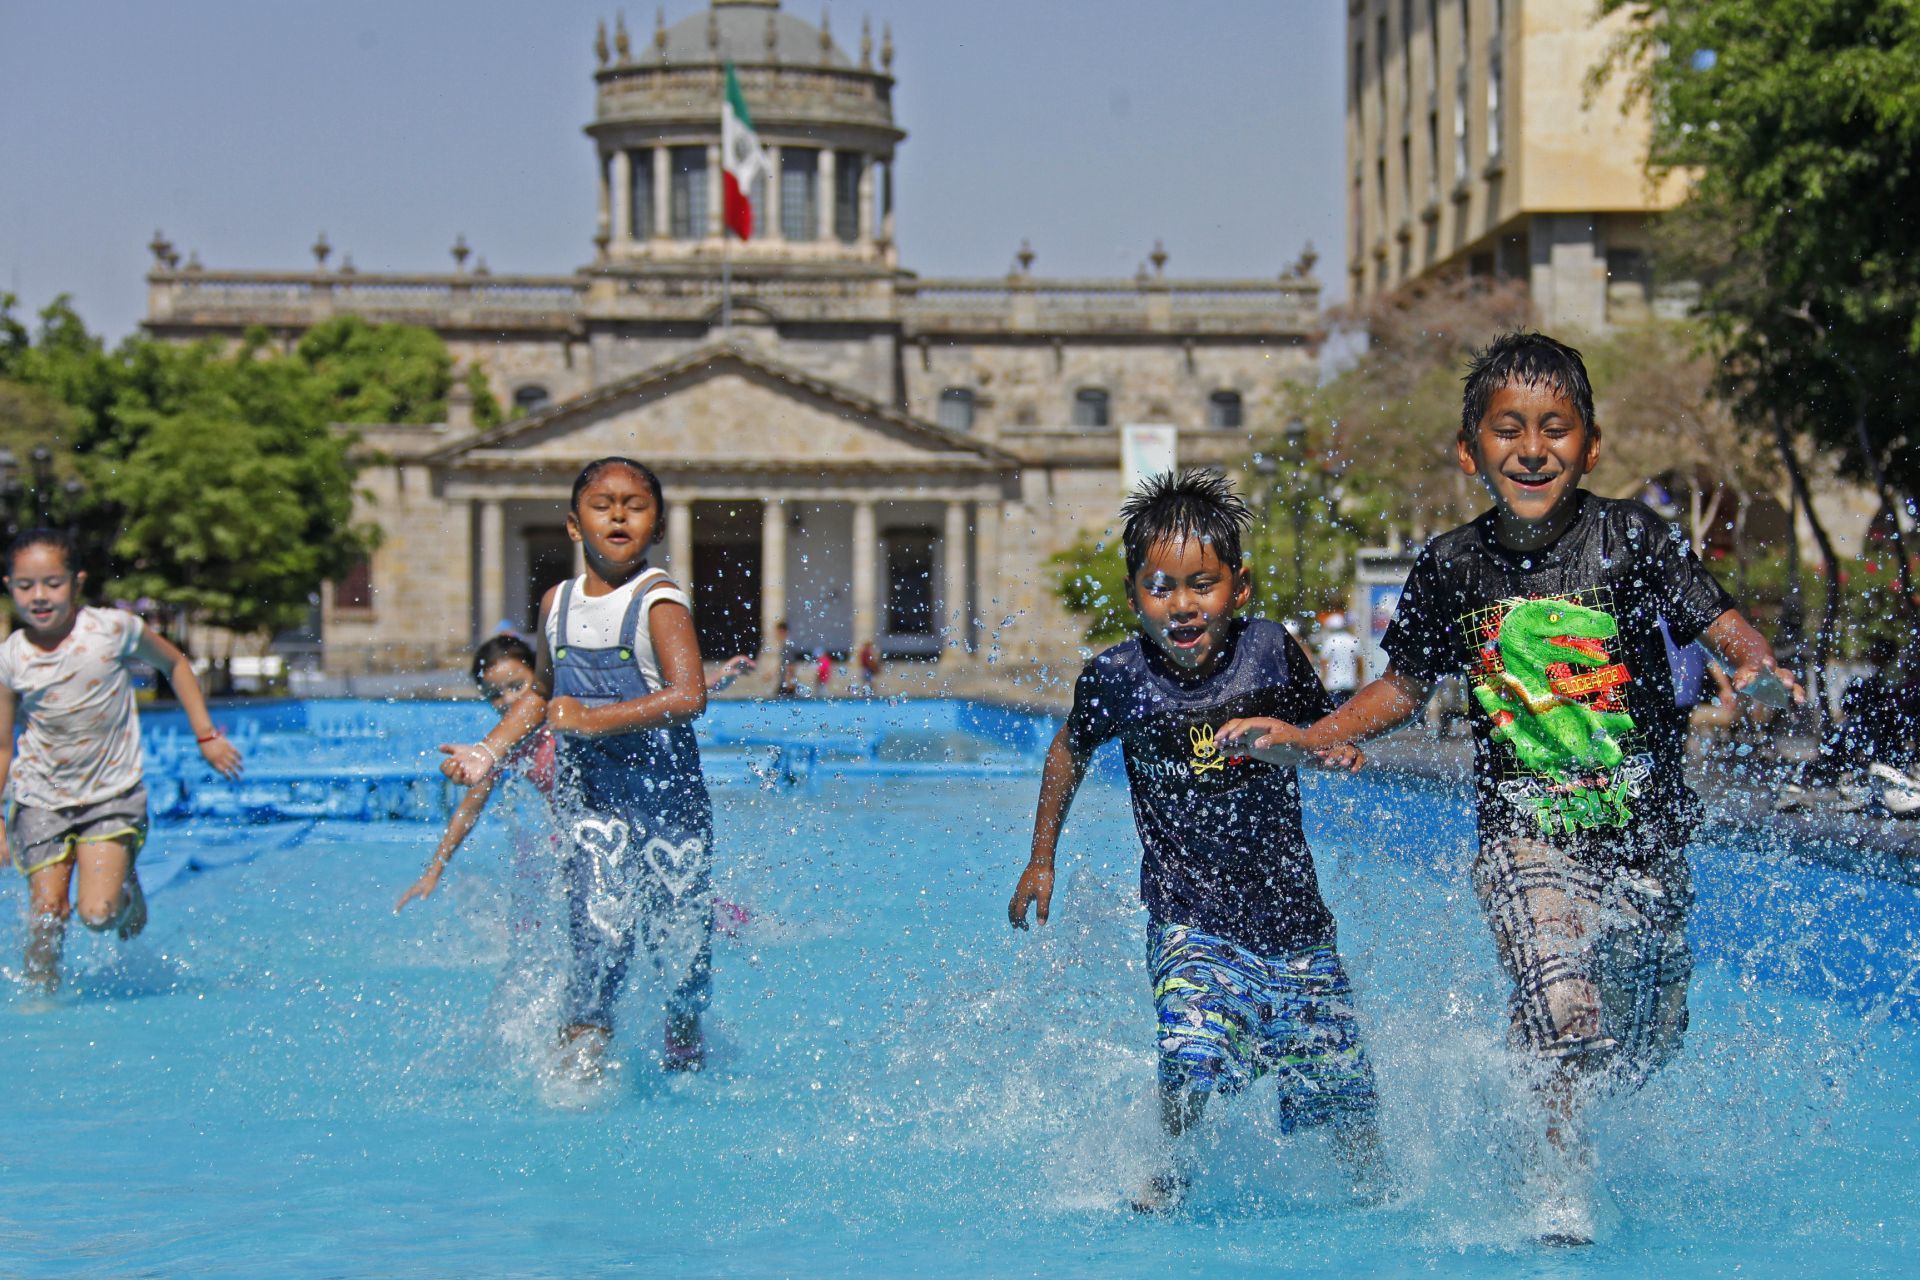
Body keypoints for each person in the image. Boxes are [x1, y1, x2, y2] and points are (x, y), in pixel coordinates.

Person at [1235, 332, 1801, 1245]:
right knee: (1562, 1006)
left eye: (1555, 429)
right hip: (1524, 835)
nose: (1532, 449)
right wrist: (1315, 734)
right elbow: (1404, 687)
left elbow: (1721, 622)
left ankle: (1541, 1085)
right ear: (1472, 451)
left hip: (1646, 842)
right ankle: (1555, 1177)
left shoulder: (1633, 537)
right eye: (1508, 431)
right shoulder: (1454, 566)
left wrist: (1757, 668)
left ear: (1591, 444)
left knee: (1641, 1042)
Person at [1007, 470, 1379, 1215]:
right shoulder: (1117, 678)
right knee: (1192, 1048)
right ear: (1133, 593)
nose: (1182, 605)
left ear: (1239, 589)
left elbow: (1320, 734)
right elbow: (1066, 753)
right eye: (1161, 586)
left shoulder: (1272, 652)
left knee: (1340, 1076)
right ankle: (1168, 1167)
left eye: (1201, 585)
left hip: (1292, 917)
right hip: (1188, 911)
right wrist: (1041, 859)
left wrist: (1318, 748)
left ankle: (1375, 1192)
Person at [442, 457, 716, 1079]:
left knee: (680, 950)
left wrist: (591, 721)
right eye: (603, 504)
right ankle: (579, 1068)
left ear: (658, 525)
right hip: (593, 803)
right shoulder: (556, 604)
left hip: (667, 804)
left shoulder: (660, 601)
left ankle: (686, 1057)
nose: (618, 514)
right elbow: (540, 693)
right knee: (596, 935)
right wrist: (486, 750)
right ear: (573, 525)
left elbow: (688, 695)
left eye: (635, 505)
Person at [0, 528, 244, 992]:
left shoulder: (112, 630)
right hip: (38, 798)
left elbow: (175, 664)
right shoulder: (10, 658)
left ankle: (126, 889)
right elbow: (2, 745)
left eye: (52, 582)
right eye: (25, 585)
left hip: (111, 795)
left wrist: (207, 736)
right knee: (48, 911)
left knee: (98, 915)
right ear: (9, 586)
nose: (39, 596)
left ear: (76, 582)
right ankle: (41, 1001)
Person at [396, 634, 557, 914]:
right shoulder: (504, 745)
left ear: (539, 677)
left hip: (603, 819)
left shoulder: (564, 718)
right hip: (568, 831)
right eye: (495, 695)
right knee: (529, 878)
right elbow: (469, 809)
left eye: (518, 686)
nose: (508, 699)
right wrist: (434, 871)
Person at [1314, 612, 1363, 706]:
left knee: (1335, 714)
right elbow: (1360, 662)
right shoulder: (1353, 640)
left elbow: (1324, 663)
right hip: (1350, 683)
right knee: (1349, 712)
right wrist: (1360, 680)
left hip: (1332, 684)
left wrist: (1322, 682)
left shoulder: (1329, 641)